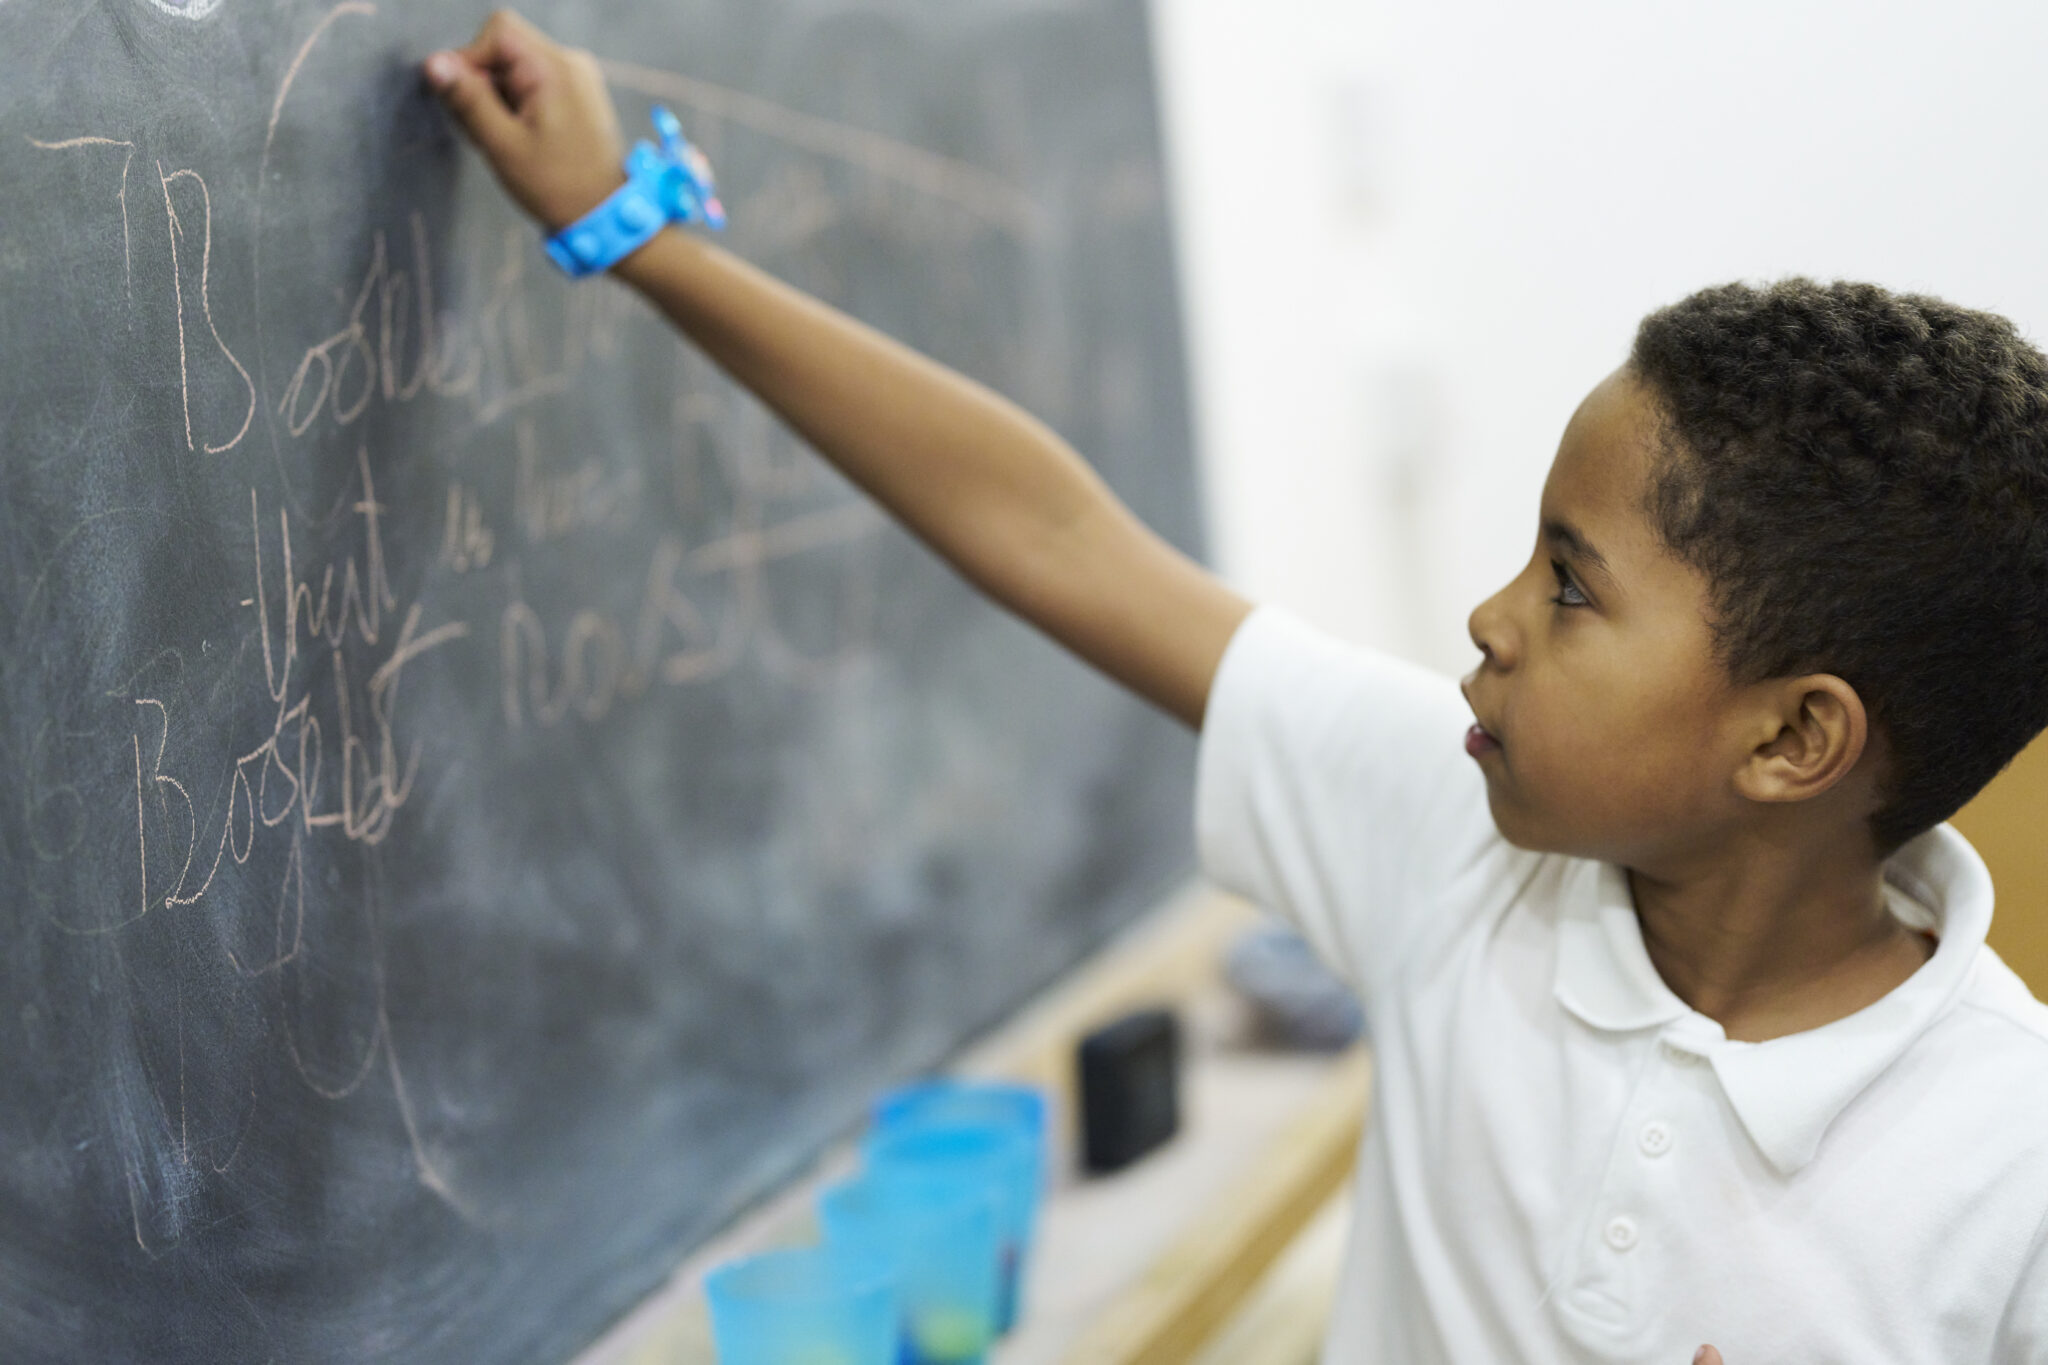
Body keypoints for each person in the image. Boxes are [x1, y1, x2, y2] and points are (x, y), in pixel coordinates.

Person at [422, 14, 2048, 1362]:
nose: (1488, 618)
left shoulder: (2005, 1170)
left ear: (1791, 736)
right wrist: (644, 240)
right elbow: (1052, 529)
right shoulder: (1457, 840)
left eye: (1570, 584)